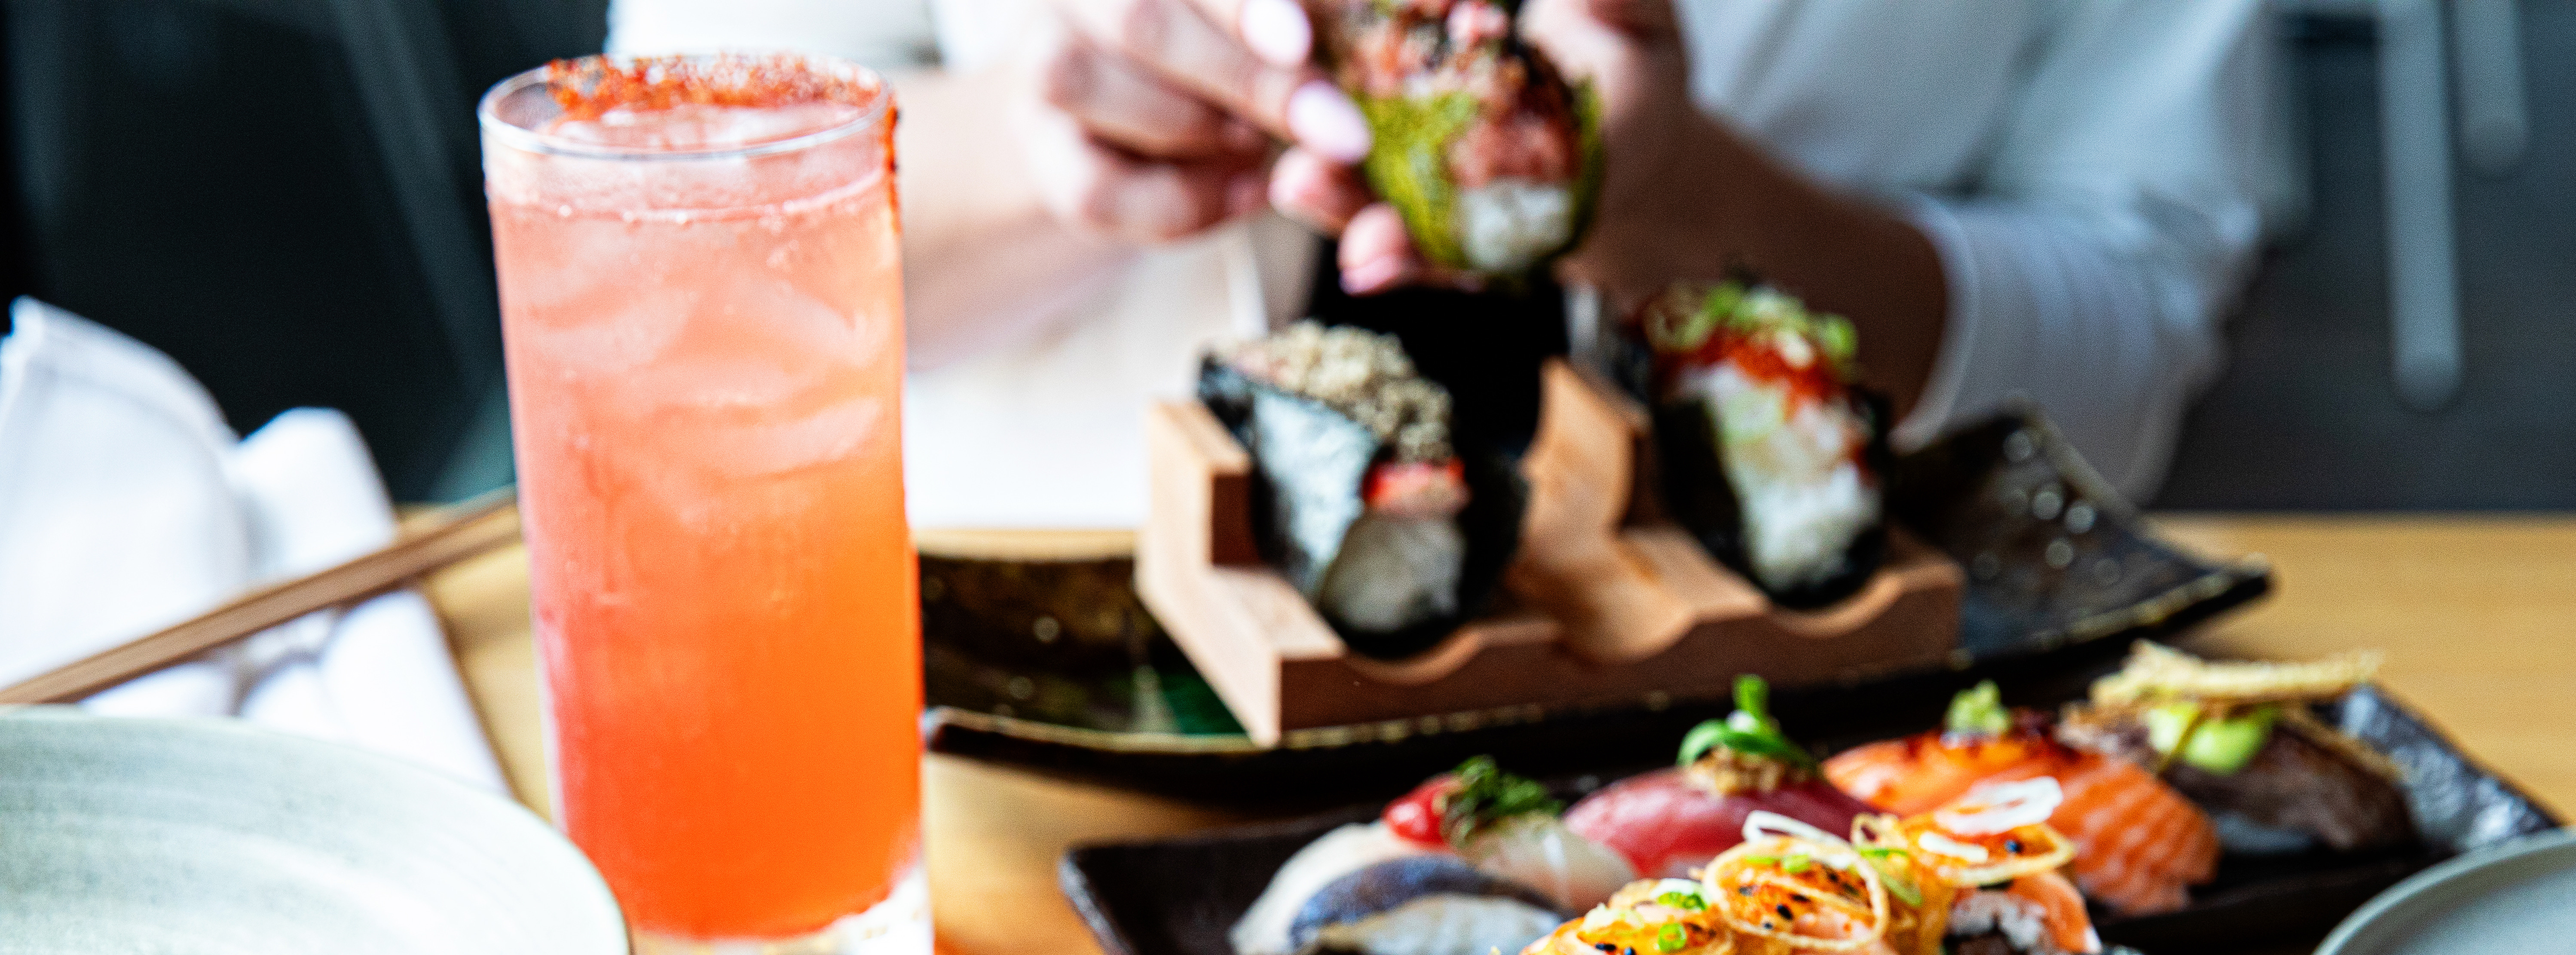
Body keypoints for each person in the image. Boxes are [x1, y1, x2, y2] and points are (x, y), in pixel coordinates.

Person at [605, 0, 2271, 526]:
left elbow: (2129, 378)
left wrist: (1691, 218)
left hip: (1809, 738)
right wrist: (1053, 152)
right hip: (1006, 744)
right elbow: (648, 263)